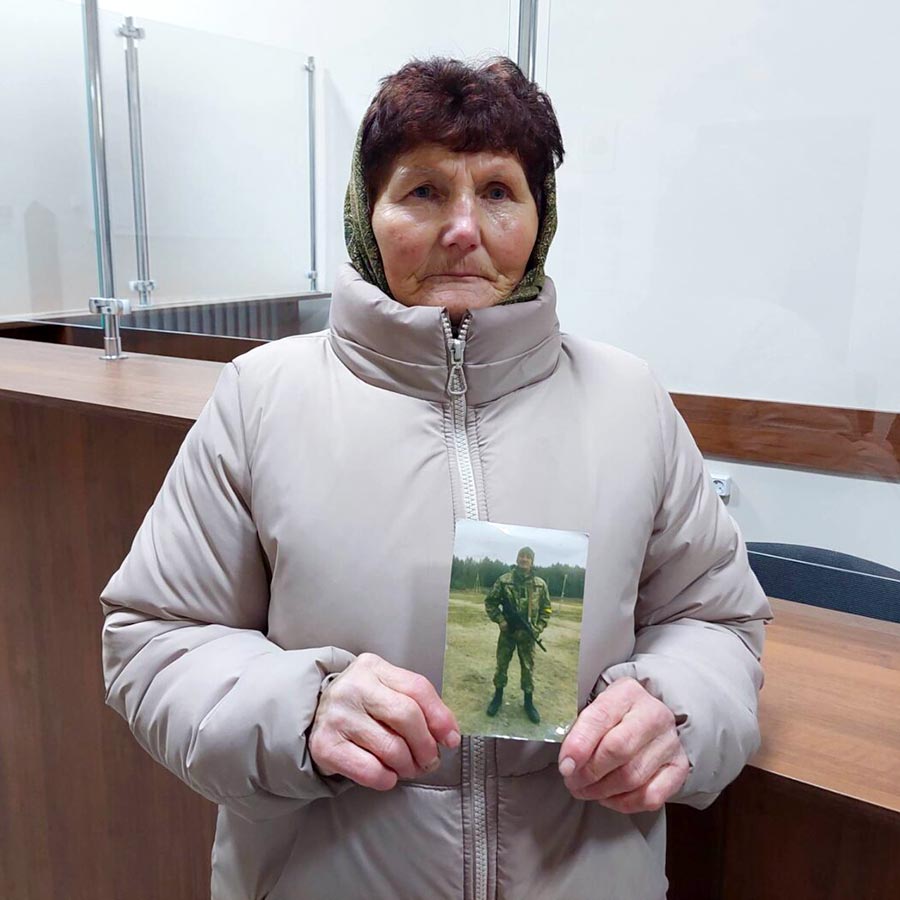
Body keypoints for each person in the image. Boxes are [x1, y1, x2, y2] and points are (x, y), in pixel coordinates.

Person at [101, 57, 771, 899]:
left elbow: (717, 620)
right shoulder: (261, 398)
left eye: (497, 190)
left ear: (539, 218)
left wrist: (673, 708)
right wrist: (301, 710)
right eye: (423, 192)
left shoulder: (630, 401)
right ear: (365, 216)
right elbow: (153, 639)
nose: (463, 228)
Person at [484, 546, 552, 722]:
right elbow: (490, 602)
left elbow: (546, 609)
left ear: (532, 561)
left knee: (528, 669)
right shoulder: (504, 581)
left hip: (528, 637)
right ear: (517, 559)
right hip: (508, 634)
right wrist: (500, 620)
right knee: (502, 666)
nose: (524, 559)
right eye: (521, 556)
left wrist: (537, 628)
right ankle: (497, 698)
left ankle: (528, 703)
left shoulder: (540, 585)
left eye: (528, 557)